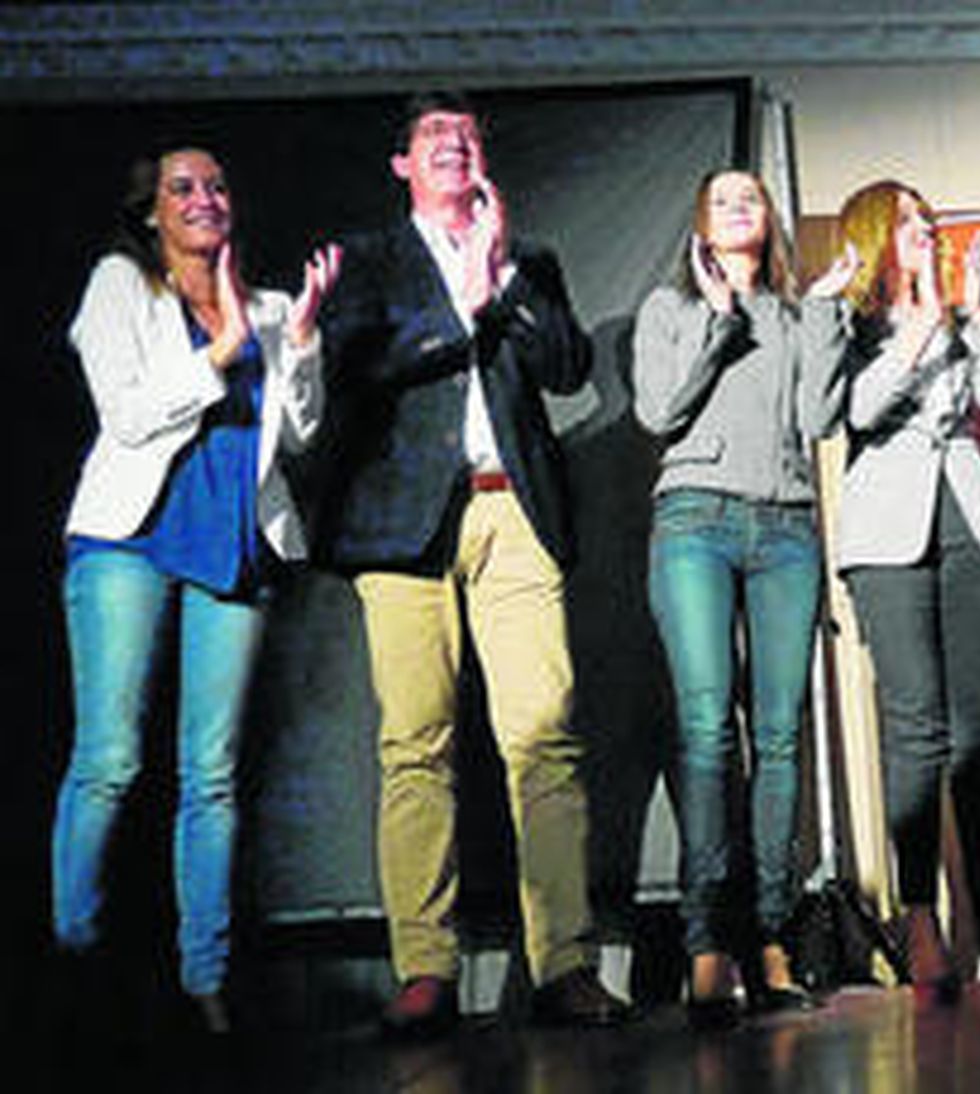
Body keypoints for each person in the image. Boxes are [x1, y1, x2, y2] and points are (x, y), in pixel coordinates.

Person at [315, 91, 629, 1036]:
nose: (453, 145)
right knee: (416, 745)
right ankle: (425, 971)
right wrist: (463, 309)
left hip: (511, 510)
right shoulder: (369, 262)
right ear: (402, 164)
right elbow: (354, 371)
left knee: (546, 735)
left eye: (467, 135)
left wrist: (503, 284)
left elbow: (570, 368)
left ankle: (564, 965)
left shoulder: (528, 260)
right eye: (433, 137)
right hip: (404, 528)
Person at [51, 146, 338, 1035]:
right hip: (129, 538)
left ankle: (205, 979)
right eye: (183, 188)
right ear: (152, 213)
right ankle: (71, 954)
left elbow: (299, 435)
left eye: (216, 185)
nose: (204, 198)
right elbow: (126, 414)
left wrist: (303, 341)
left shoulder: (269, 305)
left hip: (230, 540)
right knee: (111, 759)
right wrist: (216, 353)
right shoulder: (120, 286)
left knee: (211, 774)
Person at [631, 169, 853, 1027]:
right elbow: (658, 410)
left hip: (788, 527)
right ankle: (704, 944)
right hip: (695, 519)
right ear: (701, 223)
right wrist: (719, 325)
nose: (738, 209)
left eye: (751, 199)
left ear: (768, 222)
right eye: (722, 200)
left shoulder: (795, 315)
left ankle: (770, 933)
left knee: (781, 734)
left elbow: (818, 416)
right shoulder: (668, 310)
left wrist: (828, 318)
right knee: (705, 726)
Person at [831, 180, 980, 1001]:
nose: (923, 232)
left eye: (929, 221)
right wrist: (917, 329)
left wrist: (977, 317)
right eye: (907, 221)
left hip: (972, 522)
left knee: (977, 734)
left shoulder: (961, 318)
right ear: (878, 235)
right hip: (885, 533)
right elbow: (858, 410)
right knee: (916, 729)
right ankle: (920, 917)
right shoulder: (844, 320)